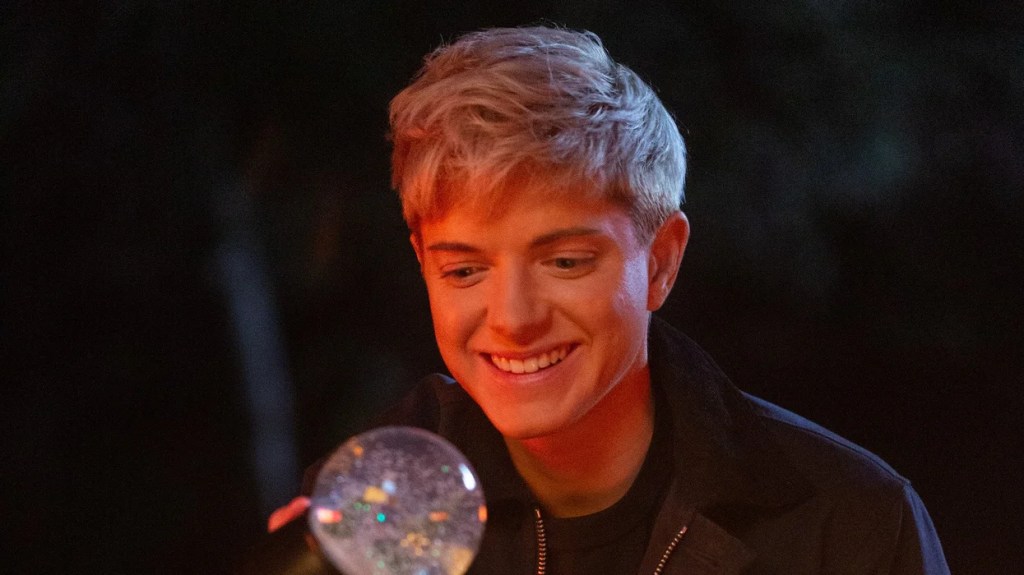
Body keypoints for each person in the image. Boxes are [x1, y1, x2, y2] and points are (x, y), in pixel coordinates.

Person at [269, 26, 950, 574]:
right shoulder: (367, 513)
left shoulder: (850, 521)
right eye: (466, 270)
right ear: (422, 264)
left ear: (660, 262)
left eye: (565, 261)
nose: (513, 317)